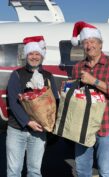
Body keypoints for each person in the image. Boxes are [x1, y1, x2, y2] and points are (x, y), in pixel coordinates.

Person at [71, 21, 109, 177]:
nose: (89, 46)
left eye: (93, 42)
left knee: (106, 169)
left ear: (100, 44)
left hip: (106, 124)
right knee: (82, 169)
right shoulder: (78, 67)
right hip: (83, 126)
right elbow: (75, 96)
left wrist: (93, 81)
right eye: (86, 42)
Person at [6, 35, 59, 177]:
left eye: (37, 54)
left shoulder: (48, 76)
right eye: (31, 53)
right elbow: (12, 101)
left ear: (41, 56)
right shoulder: (16, 75)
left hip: (39, 130)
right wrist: (28, 122)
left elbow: (55, 101)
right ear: (26, 55)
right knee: (13, 171)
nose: (34, 57)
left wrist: (51, 122)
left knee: (35, 171)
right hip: (17, 129)